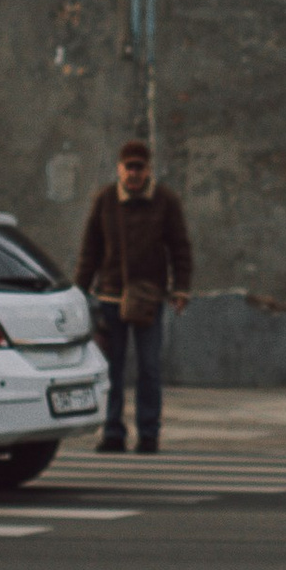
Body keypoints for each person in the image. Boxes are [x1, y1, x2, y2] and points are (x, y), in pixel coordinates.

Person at [75, 137, 192, 456]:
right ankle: (113, 432)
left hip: (148, 299)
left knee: (149, 368)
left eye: (140, 168)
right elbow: (90, 250)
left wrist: (181, 288)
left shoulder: (165, 200)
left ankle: (149, 434)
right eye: (129, 168)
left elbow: (180, 248)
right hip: (110, 298)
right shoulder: (105, 200)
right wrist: (79, 292)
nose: (134, 174)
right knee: (112, 370)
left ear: (148, 170)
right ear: (120, 168)